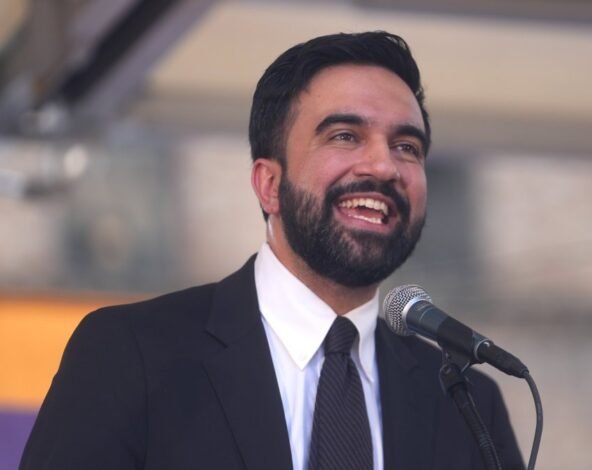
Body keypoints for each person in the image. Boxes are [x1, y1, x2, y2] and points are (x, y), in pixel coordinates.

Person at [20, 31, 524, 470]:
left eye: (406, 147)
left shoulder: (467, 403)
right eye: (345, 136)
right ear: (269, 185)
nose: (384, 166)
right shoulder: (132, 354)